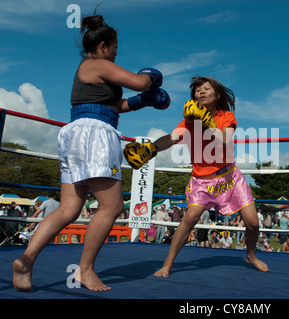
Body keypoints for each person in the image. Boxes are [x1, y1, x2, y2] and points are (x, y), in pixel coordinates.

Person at [12, 13, 169, 292]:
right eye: (116, 48)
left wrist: (142, 102)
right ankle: (85, 270)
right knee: (112, 206)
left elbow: (116, 105)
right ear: (104, 46)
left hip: (79, 131)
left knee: (69, 208)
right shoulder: (97, 63)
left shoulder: (90, 70)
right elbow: (141, 81)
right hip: (95, 135)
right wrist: (150, 78)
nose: (117, 53)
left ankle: (26, 261)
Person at [123, 76, 268, 277]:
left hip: (229, 178)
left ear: (216, 95)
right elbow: (172, 138)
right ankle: (168, 264)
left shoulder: (226, 116)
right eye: (197, 90)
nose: (201, 92)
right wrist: (151, 148)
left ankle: (251, 255)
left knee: (253, 222)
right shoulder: (188, 122)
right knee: (189, 217)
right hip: (202, 181)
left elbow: (224, 140)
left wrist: (206, 121)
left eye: (206, 89)